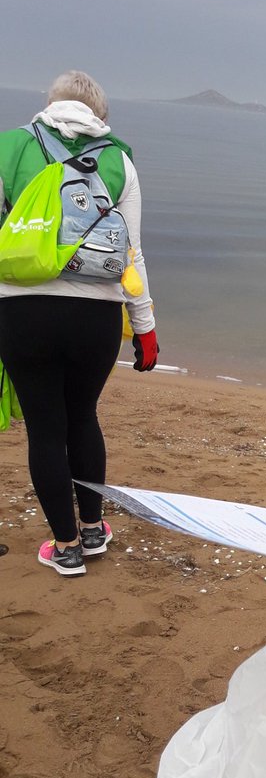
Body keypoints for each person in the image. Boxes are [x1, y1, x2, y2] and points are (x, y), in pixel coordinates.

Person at [0, 71, 159, 577]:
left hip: (22, 312)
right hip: (96, 316)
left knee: (46, 429)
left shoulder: (9, 147)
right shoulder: (118, 160)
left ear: (49, 105)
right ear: (100, 115)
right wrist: (145, 326)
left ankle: (65, 547)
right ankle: (93, 529)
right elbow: (132, 253)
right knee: (83, 417)